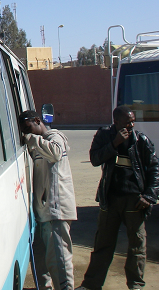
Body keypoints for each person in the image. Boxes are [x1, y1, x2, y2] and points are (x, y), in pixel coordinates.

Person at [76, 106, 159, 290]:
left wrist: (149, 195)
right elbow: (95, 159)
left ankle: (136, 285)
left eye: (133, 121)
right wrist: (114, 144)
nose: (131, 125)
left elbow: (155, 168)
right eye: (127, 122)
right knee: (103, 244)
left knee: (137, 245)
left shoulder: (141, 140)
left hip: (135, 201)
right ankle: (91, 285)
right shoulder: (104, 135)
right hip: (110, 198)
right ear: (116, 122)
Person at [19, 110, 77, 290]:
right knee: (42, 261)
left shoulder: (54, 137)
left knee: (59, 261)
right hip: (44, 213)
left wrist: (31, 139)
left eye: (28, 128)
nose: (26, 133)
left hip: (56, 212)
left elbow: (56, 153)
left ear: (37, 120)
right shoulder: (39, 143)